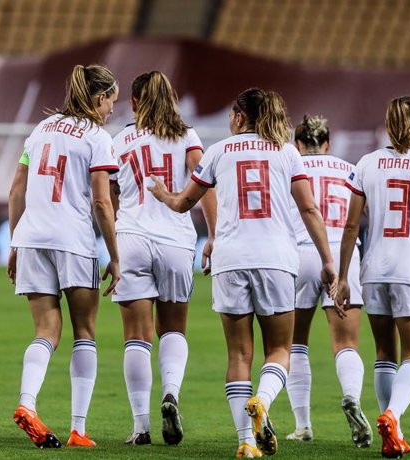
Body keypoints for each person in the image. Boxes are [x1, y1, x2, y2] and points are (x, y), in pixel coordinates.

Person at [148, 88, 338, 458]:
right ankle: (263, 401)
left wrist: (162, 195)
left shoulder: (218, 151)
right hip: (276, 260)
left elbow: (185, 202)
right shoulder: (287, 153)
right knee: (280, 349)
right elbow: (310, 209)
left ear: (238, 115)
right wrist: (328, 261)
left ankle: (245, 443)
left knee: (238, 355)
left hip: (230, 259)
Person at [7, 64, 121, 449]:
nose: (111, 111)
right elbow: (103, 202)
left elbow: (16, 192)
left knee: (45, 332)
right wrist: (115, 255)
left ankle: (27, 403)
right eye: (111, 102)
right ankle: (78, 430)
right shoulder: (98, 137)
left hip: (32, 238)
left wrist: (14, 243)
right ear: (100, 97)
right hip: (73, 239)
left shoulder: (41, 130)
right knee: (85, 332)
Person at [337, 96, 410, 458]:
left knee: (385, 352)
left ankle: (393, 434)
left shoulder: (367, 164)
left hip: (374, 269)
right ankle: (393, 416)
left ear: (387, 124)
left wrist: (344, 276)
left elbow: (352, 224)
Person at [109, 70, 217, 446]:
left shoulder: (119, 139)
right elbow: (204, 182)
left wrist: (110, 247)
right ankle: (170, 393)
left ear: (134, 103)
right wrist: (214, 235)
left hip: (131, 237)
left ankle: (141, 428)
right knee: (173, 329)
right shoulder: (186, 136)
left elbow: (104, 198)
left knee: (136, 338)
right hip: (176, 240)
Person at [285, 115, 371, 447]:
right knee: (346, 344)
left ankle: (303, 425)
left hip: (301, 252)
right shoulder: (350, 169)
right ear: (328, 143)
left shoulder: (291, 167)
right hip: (343, 255)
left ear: (298, 144)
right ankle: (351, 396)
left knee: (294, 344)